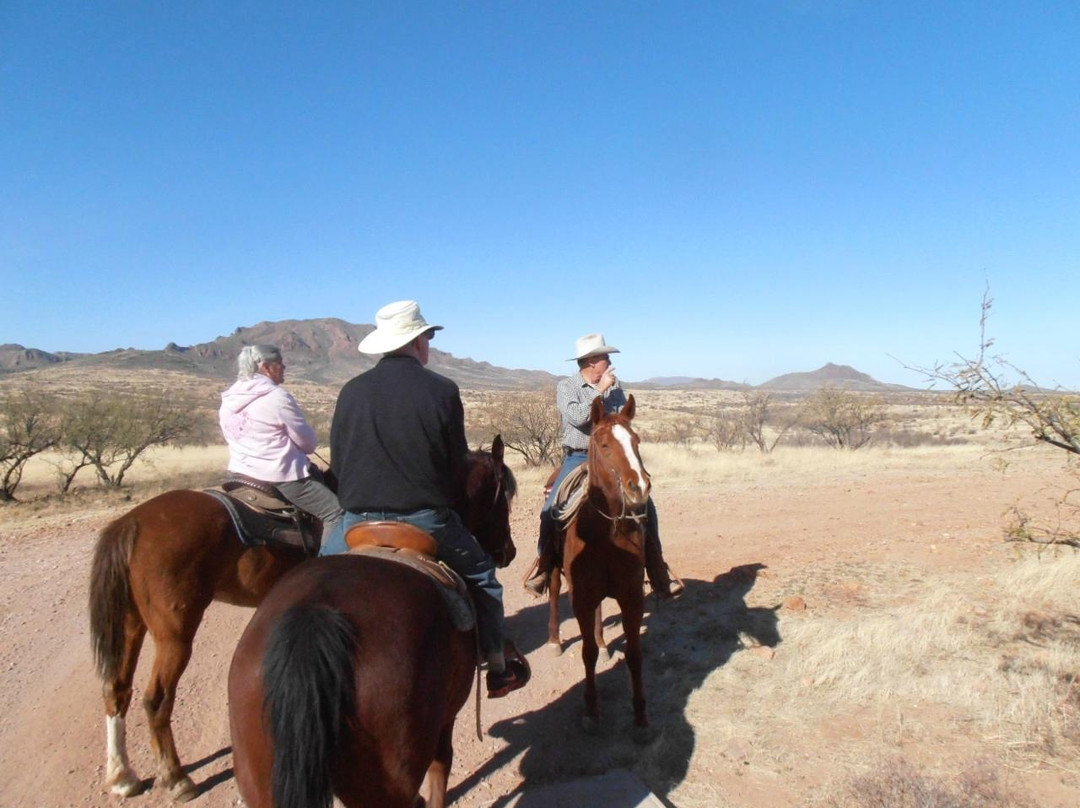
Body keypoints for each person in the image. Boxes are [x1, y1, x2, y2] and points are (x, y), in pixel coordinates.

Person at [321, 300, 529, 699]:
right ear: (418, 342)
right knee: (485, 579)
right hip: (423, 520)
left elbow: (340, 464)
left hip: (355, 521)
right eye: (428, 337)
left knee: (311, 578)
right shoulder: (442, 390)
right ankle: (498, 665)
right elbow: (455, 467)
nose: (429, 344)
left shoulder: (351, 391)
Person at [524, 332, 683, 599]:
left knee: (645, 504)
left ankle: (657, 568)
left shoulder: (615, 385)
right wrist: (599, 392)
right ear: (590, 362)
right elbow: (575, 417)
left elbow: (621, 420)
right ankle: (544, 566)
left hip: (610, 458)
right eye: (605, 358)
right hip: (579, 456)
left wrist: (610, 393)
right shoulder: (567, 387)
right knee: (550, 507)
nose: (609, 363)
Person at [219, 344, 344, 543]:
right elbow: (308, 444)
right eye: (280, 363)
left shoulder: (228, 399)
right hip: (281, 476)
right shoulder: (276, 396)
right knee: (336, 514)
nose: (284, 367)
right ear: (266, 367)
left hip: (241, 472)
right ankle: (325, 568)